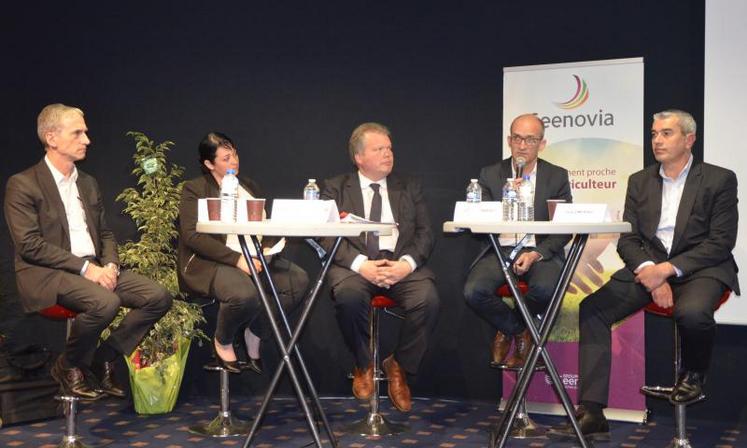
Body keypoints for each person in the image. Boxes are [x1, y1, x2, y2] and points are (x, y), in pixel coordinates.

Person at [553, 109, 739, 440]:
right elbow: (629, 238)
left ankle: (694, 375)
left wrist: (665, 271)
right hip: (648, 268)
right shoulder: (640, 181)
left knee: (692, 313)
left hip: (700, 269)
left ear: (689, 139)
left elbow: (720, 243)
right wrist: (649, 272)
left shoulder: (718, 179)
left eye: (666, 133)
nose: (657, 140)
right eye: (654, 134)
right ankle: (593, 411)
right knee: (593, 308)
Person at [4, 103, 173, 400]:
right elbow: (29, 245)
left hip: (93, 267)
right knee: (105, 302)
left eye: (86, 132)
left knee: (157, 297)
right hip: (48, 273)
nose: (87, 140)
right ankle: (68, 366)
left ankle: (103, 357)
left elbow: (105, 233)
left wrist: (110, 266)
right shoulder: (23, 184)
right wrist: (86, 270)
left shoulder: (88, 183)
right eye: (78, 133)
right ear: (51, 137)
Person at [321, 122, 439, 412]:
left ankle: (398, 365)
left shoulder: (409, 186)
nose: (388, 154)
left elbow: (426, 233)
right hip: (355, 266)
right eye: (379, 149)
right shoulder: (334, 188)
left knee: (428, 299)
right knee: (348, 296)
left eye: (389, 148)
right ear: (359, 157)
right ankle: (364, 363)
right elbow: (324, 234)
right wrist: (361, 265)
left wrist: (405, 265)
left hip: (399, 265)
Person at [177, 132, 309, 374]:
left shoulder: (249, 186)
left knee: (297, 281)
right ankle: (223, 340)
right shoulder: (194, 189)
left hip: (253, 257)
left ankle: (255, 331)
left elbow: (263, 224)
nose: (234, 161)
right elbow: (192, 236)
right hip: (213, 261)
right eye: (226, 158)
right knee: (244, 294)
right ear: (209, 164)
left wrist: (267, 248)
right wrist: (237, 259)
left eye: (235, 154)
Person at [463, 113, 572, 367]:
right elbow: (479, 223)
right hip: (500, 250)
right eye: (518, 139)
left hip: (540, 250)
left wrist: (537, 254)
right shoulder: (490, 174)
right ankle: (518, 330)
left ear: (542, 144)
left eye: (531, 140)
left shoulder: (557, 176)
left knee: (545, 289)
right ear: (509, 140)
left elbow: (564, 227)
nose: (523, 145)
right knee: (474, 292)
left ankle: (514, 327)